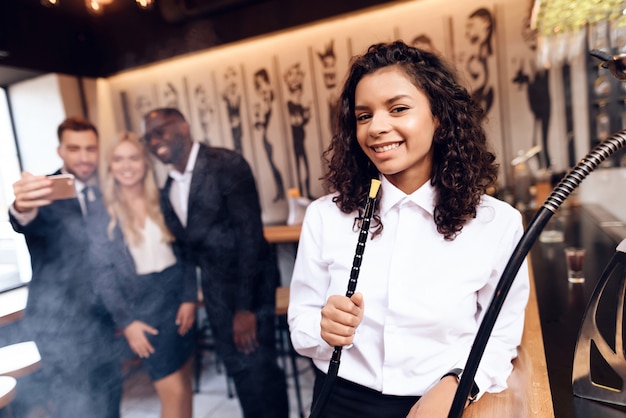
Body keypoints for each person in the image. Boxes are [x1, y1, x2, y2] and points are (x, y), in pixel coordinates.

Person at [287, 41, 530, 418]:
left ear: (438, 117)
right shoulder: (325, 216)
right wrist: (323, 327)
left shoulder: (497, 223)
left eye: (398, 109)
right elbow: (300, 318)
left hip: (439, 401)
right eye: (364, 115)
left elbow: (501, 333)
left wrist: (458, 385)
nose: (377, 128)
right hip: (339, 399)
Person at [141, 107, 289, 418]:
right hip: (215, 296)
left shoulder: (226, 164)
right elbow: (185, 252)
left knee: (261, 374)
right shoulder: (168, 189)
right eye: (149, 137)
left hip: (250, 293)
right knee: (240, 375)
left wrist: (245, 309)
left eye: (160, 131)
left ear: (183, 126)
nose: (155, 141)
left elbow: (252, 238)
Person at [9, 116, 122, 418]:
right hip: (58, 327)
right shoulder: (42, 193)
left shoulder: (106, 191)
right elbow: (23, 218)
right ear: (61, 151)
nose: (84, 157)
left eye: (90, 148)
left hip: (101, 323)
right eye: (75, 148)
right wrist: (21, 207)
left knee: (110, 400)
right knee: (76, 407)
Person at [88, 132, 197, 418]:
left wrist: (189, 298)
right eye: (118, 159)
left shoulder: (163, 199)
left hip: (176, 299)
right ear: (109, 166)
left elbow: (186, 253)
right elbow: (103, 275)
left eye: (133, 158)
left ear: (145, 163)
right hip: (143, 309)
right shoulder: (101, 211)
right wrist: (127, 323)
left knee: (185, 387)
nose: (126, 165)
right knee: (172, 393)